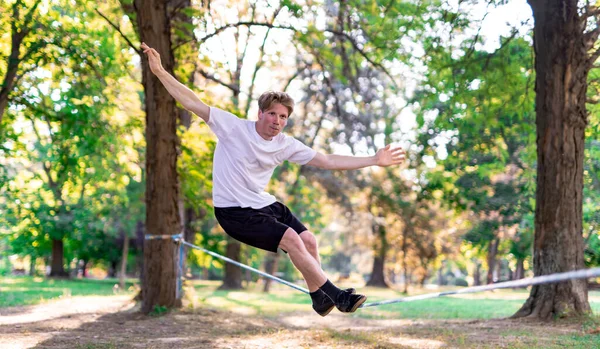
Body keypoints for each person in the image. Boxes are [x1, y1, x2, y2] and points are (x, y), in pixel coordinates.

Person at [141, 42, 406, 316]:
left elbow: (327, 161)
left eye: (283, 116)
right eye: (272, 114)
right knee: (291, 239)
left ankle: (319, 298)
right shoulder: (233, 128)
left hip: (263, 204)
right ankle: (337, 295)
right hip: (234, 211)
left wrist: (373, 160)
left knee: (309, 241)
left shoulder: (285, 144)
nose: (277, 121)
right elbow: (192, 101)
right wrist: (160, 71)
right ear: (260, 114)